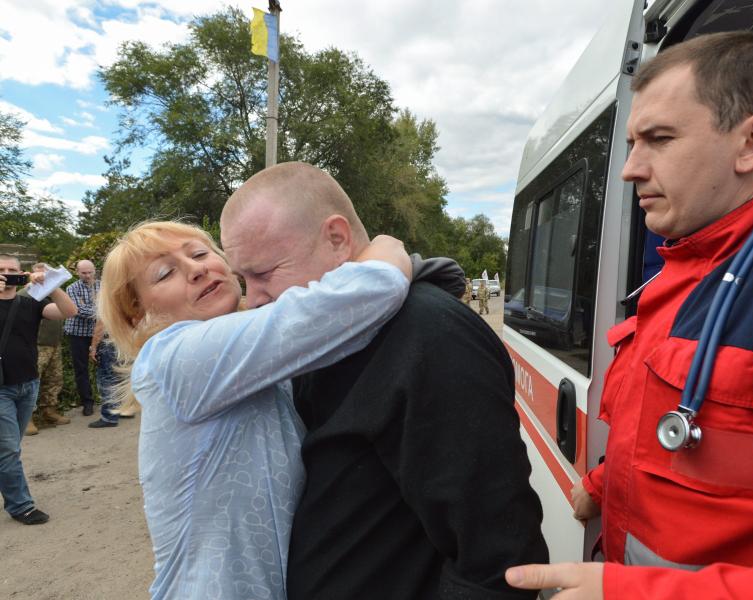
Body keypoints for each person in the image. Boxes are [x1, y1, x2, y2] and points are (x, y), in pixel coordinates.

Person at [506, 31, 753, 599]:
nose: (629, 169)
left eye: (658, 139)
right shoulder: (681, 270)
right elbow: (677, 433)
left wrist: (634, 594)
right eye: (632, 143)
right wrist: (601, 482)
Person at [220, 161, 549, 599]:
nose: (254, 299)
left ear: (336, 239)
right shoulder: (322, 340)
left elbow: (497, 557)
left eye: (262, 275)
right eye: (243, 279)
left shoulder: (430, 336)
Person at [97, 221, 412, 600]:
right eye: (165, 273)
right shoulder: (173, 357)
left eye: (199, 253)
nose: (196, 269)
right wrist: (387, 247)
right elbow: (359, 296)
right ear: (137, 312)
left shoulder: (254, 364)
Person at [0, 254, 77, 525]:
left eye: (13, 270)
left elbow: (69, 312)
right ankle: (21, 506)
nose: (7, 273)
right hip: (1, 390)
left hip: (28, 383)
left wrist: (51, 285)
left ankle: (12, 489)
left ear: (22, 273)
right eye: (2, 270)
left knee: (10, 448)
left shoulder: (29, 300)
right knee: (8, 449)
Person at [20, 263, 71, 435]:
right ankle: (27, 418)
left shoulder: (52, 292)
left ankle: (49, 411)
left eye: (46, 272)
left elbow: (68, 310)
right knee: (33, 381)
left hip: (54, 343)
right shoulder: (26, 293)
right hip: (38, 344)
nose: (43, 275)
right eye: (40, 272)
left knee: (54, 379)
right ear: (32, 273)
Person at [64, 259, 100, 416]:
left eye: (90, 272)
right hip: (77, 333)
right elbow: (78, 310)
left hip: (99, 333)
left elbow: (110, 306)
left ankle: (111, 400)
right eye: (83, 273)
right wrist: (101, 312)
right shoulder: (71, 288)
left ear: (94, 270)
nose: (87, 275)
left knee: (106, 366)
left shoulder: (103, 286)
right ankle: (87, 402)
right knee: (81, 369)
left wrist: (101, 310)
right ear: (77, 272)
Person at [87, 320, 122, 429]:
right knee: (119, 377)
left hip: (109, 342)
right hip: (122, 341)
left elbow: (101, 325)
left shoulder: (106, 303)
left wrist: (93, 347)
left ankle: (109, 417)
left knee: (107, 380)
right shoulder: (125, 302)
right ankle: (119, 410)